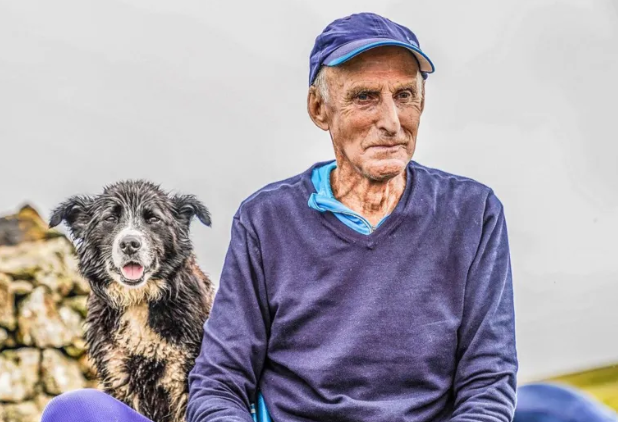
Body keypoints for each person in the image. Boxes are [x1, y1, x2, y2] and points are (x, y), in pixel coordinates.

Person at [185, 12, 519, 422]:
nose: (392, 122)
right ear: (319, 108)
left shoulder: (473, 212)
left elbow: (488, 382)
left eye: (404, 95)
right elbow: (220, 381)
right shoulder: (264, 220)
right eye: (365, 97)